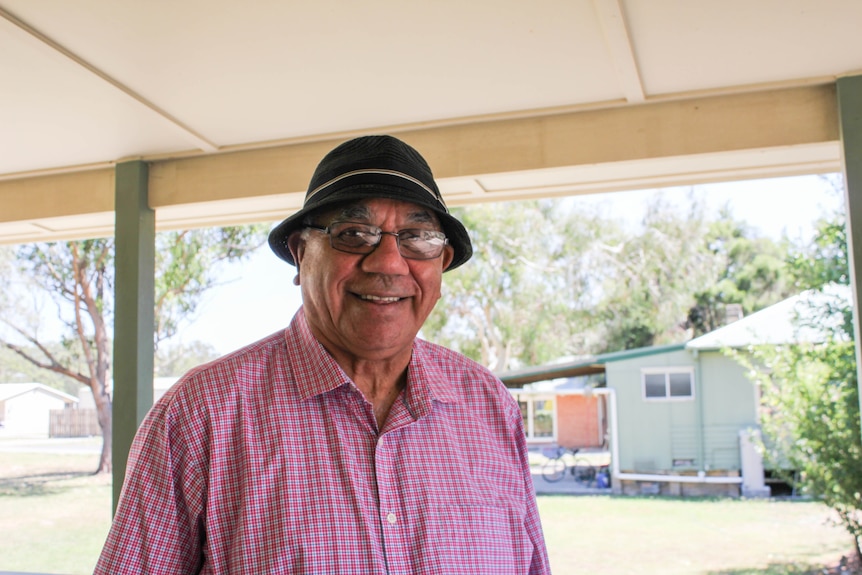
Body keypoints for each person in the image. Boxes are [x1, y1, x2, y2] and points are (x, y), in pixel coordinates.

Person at [95, 135, 551, 574]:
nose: (389, 263)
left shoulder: (488, 404)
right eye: (353, 233)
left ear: (441, 263)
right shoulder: (202, 413)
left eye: (417, 237)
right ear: (300, 254)